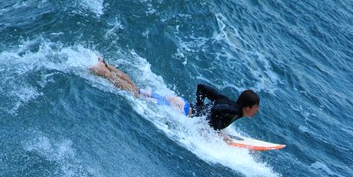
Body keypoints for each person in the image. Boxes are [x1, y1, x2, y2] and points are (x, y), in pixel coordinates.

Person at [89, 57, 259, 129]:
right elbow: (216, 111)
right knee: (134, 93)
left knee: (137, 90)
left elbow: (202, 88)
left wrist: (198, 108)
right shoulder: (235, 111)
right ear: (249, 107)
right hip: (180, 109)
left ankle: (106, 65)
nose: (257, 111)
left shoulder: (228, 102)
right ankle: (103, 72)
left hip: (182, 104)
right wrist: (205, 123)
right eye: (256, 107)